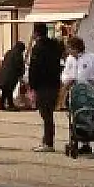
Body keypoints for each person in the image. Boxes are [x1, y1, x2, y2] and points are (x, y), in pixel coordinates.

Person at [27, 21, 64, 153]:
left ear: (36, 33)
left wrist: (32, 86)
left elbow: (34, 68)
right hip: (54, 83)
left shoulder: (38, 47)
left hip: (43, 85)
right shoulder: (55, 45)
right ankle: (47, 140)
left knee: (46, 114)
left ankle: (48, 142)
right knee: (49, 113)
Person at [0, 41, 26, 111]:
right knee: (9, 90)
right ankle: (10, 105)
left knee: (5, 90)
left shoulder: (9, 52)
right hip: (10, 76)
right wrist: (21, 74)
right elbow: (19, 66)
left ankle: (2, 105)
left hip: (4, 74)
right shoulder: (18, 54)